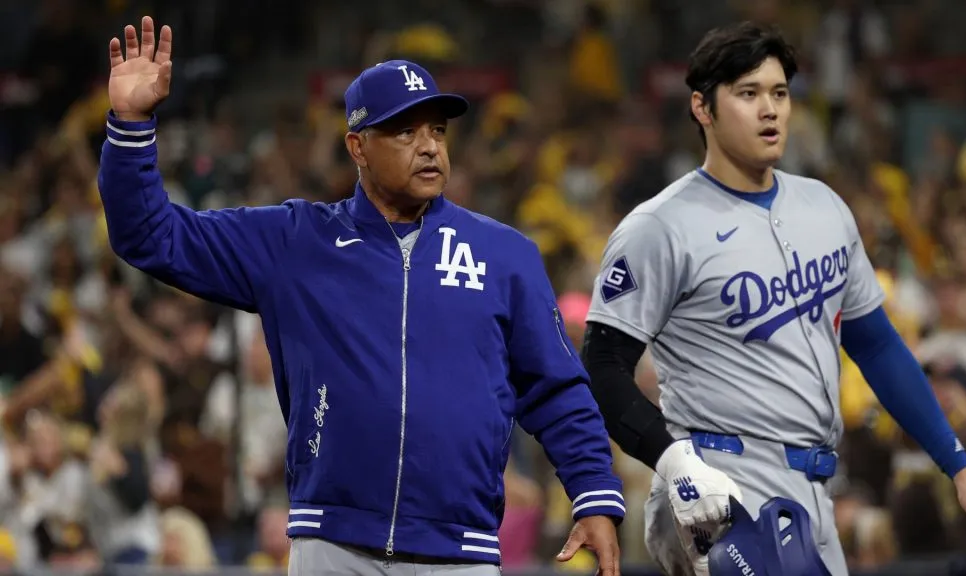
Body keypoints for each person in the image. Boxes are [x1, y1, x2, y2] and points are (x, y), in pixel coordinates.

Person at [99, 17, 624, 576]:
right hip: (333, 542)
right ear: (358, 146)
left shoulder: (504, 254)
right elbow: (151, 236)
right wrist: (131, 125)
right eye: (405, 132)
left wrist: (592, 490)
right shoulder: (297, 241)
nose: (429, 148)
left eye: (438, 131)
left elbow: (557, 389)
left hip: (460, 548)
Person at [580, 21, 966, 576]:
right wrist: (673, 458)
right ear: (702, 108)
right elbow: (602, 363)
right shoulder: (660, 226)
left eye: (779, 93)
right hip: (718, 483)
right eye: (748, 93)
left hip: (812, 489)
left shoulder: (824, 207)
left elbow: (877, 345)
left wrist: (959, 467)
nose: (770, 110)